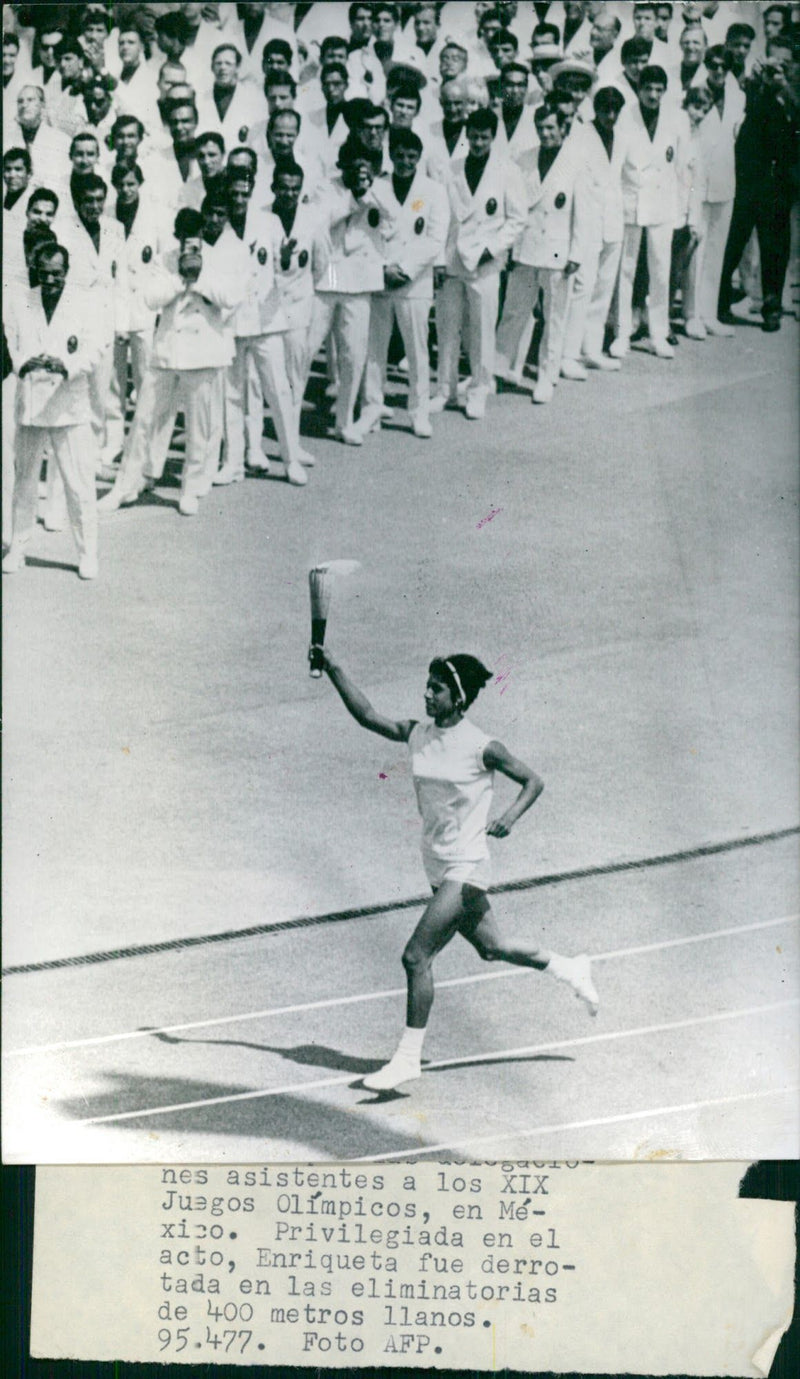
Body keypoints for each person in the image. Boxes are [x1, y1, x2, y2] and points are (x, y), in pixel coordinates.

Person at [315, 649, 599, 1092]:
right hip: (436, 863)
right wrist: (333, 666)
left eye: (437, 688)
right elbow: (367, 715)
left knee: (415, 957)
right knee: (493, 947)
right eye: (427, 685)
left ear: (459, 697)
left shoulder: (481, 746)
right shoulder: (417, 734)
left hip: (466, 865)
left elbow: (533, 781)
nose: (427, 694)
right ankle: (569, 968)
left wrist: (509, 817)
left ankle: (408, 1060)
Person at [99, 203, 244, 515]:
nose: (190, 243)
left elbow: (231, 297)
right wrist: (181, 277)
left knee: (198, 427)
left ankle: (190, 489)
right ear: (177, 237)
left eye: (196, 237)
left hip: (204, 354)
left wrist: (199, 276)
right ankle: (125, 486)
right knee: (143, 421)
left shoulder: (220, 257)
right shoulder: (166, 260)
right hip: (167, 352)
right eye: (184, 237)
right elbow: (149, 299)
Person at [3, 242, 102, 580]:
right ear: (35, 271)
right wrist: (22, 365)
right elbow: (12, 344)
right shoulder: (20, 302)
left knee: (78, 484)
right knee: (24, 482)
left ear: (66, 271)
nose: (50, 279)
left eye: (56, 273)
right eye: (43, 273)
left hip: (68, 405)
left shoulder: (84, 304)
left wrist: (67, 365)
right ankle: (18, 547)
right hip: (31, 403)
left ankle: (88, 554)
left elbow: (94, 350)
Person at [433, 106, 527, 421]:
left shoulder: (507, 171)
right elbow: (441, 216)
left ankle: (479, 390)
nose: (477, 143)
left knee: (483, 332)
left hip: (485, 264)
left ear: (493, 137)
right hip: (452, 260)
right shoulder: (452, 168)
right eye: (472, 137)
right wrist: (438, 260)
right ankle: (444, 389)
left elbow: (516, 220)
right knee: (447, 329)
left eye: (484, 137)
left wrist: (493, 250)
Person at [216, 168, 308, 487]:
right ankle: (233, 462)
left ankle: (291, 458)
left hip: (266, 318)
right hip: (231, 322)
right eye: (234, 194)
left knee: (278, 391)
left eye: (244, 193)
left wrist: (283, 258)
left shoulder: (269, 222)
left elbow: (284, 268)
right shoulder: (217, 225)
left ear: (252, 191)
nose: (239, 199)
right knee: (232, 393)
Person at [356, 126, 449, 441]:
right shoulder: (377, 188)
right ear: (391, 156)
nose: (405, 161)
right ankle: (372, 407)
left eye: (411, 156)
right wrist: (383, 269)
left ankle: (418, 412)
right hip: (381, 279)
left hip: (413, 283)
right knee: (374, 349)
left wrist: (405, 269)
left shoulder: (434, 191)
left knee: (417, 351)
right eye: (400, 156)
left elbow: (436, 238)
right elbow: (366, 232)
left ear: (419, 158)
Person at [495, 102, 587, 402]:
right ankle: (501, 368)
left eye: (551, 128)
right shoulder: (525, 159)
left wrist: (577, 253)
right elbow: (514, 204)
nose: (546, 134)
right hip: (525, 246)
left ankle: (546, 376)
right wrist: (508, 248)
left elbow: (583, 213)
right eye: (541, 129)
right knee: (513, 310)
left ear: (564, 127)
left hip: (558, 251)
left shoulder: (576, 161)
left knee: (554, 316)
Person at [719, 33, 800, 332]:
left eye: (785, 64)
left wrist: (784, 89)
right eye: (772, 62)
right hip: (748, 176)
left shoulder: (794, 87)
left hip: (779, 180)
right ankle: (720, 301)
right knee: (733, 241)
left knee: (775, 247)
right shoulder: (753, 84)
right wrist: (754, 83)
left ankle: (772, 307)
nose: (778, 69)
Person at [612, 64, 692, 359]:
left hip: (662, 204)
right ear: (640, 89)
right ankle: (622, 332)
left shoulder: (677, 118)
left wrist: (683, 211)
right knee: (626, 269)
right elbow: (617, 164)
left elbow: (683, 168)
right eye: (648, 89)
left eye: (659, 90)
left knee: (660, 270)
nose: (653, 95)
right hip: (630, 201)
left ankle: (658, 333)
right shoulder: (626, 115)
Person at [560, 84, 626, 374]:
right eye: (605, 109)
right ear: (596, 109)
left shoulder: (621, 136)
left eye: (615, 110)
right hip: (586, 223)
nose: (610, 115)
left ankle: (591, 348)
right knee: (581, 289)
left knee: (603, 289)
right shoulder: (580, 136)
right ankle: (567, 354)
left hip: (612, 221)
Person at [683, 44, 743, 338]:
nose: (718, 71)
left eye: (724, 66)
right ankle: (691, 314)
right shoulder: (694, 93)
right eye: (714, 65)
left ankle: (708, 313)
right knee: (697, 250)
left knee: (716, 251)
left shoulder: (738, 97)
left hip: (724, 183)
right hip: (698, 183)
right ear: (706, 65)